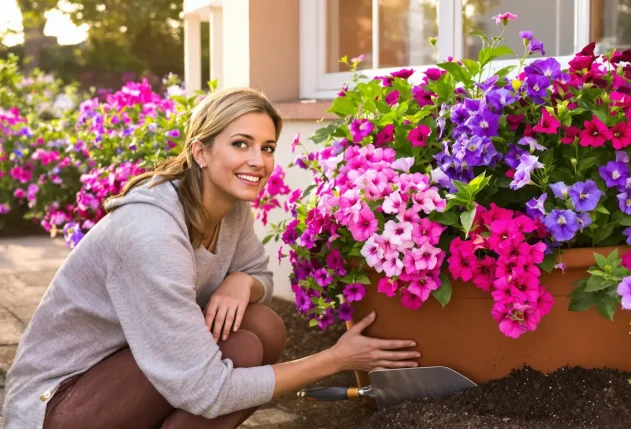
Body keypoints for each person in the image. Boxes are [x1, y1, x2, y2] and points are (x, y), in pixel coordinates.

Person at [2, 87, 421, 429]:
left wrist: (243, 282)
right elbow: (208, 391)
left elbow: (259, 273)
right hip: (56, 405)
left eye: (267, 147)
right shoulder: (151, 233)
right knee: (241, 347)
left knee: (264, 326)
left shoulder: (229, 208)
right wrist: (336, 359)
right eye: (241, 144)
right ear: (200, 152)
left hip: (122, 369)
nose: (258, 161)